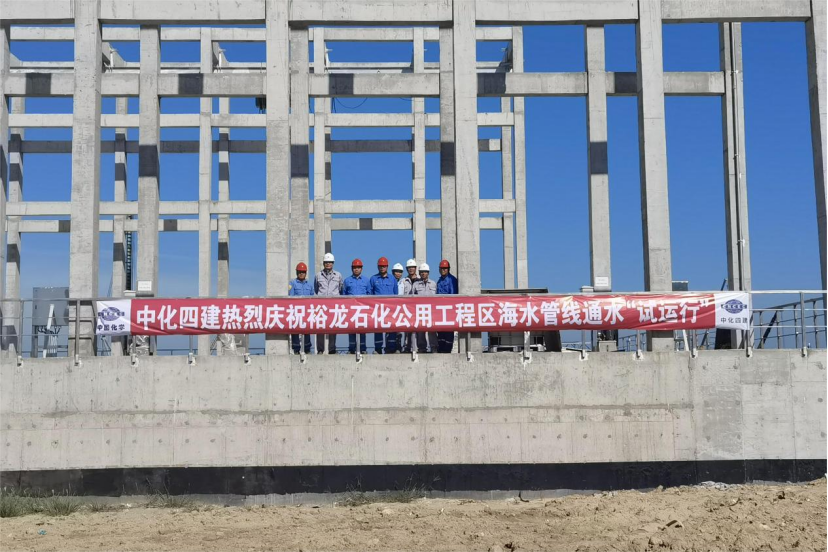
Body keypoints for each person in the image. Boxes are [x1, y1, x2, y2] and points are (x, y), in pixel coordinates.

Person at [313, 252, 343, 354]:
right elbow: (316, 289)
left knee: (333, 327)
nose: (328, 264)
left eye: (330, 262)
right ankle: (320, 349)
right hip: (321, 306)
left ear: (333, 263)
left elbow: (341, 289)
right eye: (326, 262)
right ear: (323, 263)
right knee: (320, 327)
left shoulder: (338, 275)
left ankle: (332, 349)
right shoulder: (318, 275)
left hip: (334, 306)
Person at [369, 256, 398, 353]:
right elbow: (370, 294)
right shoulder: (373, 279)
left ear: (387, 267)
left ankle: (391, 348)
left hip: (390, 309)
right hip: (377, 309)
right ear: (378, 267)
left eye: (384, 266)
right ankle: (378, 349)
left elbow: (396, 294)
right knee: (378, 329)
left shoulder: (392, 279)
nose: (382, 268)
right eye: (380, 266)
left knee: (391, 329)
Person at [343, 258, 370, 354]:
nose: (356, 269)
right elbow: (343, 295)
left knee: (362, 329)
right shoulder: (347, 281)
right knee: (351, 329)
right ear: (352, 269)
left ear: (361, 269)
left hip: (362, 310)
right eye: (354, 267)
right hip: (351, 310)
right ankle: (351, 348)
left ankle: (362, 348)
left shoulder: (366, 281)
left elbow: (369, 295)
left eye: (358, 267)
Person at [410, 263, 437, 353]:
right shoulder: (416, 285)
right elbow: (412, 297)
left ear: (428, 273)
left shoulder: (433, 284)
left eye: (425, 272)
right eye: (421, 272)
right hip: (420, 311)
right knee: (420, 330)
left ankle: (433, 347)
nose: (423, 273)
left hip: (431, 311)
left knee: (432, 330)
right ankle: (422, 348)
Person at [289, 262, 314, 354]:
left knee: (307, 329)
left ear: (306, 273)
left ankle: (307, 348)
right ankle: (296, 348)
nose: (301, 274)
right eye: (299, 272)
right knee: (295, 329)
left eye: (303, 272)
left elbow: (312, 298)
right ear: (297, 272)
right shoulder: (292, 283)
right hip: (296, 310)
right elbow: (291, 297)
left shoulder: (309, 285)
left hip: (307, 311)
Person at [436, 259, 459, 353]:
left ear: (448, 269)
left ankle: (447, 349)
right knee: (440, 332)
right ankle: (440, 348)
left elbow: (453, 296)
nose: (443, 270)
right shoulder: (439, 281)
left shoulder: (452, 280)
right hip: (440, 311)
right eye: (441, 268)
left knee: (448, 331)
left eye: (445, 268)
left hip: (449, 311)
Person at [400, 258, 419, 352]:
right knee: (407, 329)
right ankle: (407, 347)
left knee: (419, 329)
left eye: (412, 267)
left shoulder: (420, 280)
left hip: (418, 309)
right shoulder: (403, 281)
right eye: (409, 267)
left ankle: (418, 347)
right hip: (407, 309)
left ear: (415, 268)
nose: (411, 269)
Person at [392, 263, 405, 352]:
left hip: (400, 308)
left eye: (400, 272)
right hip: (391, 308)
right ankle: (390, 347)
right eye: (396, 271)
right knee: (390, 329)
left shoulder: (403, 282)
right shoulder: (390, 281)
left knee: (399, 329)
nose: (398, 273)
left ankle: (398, 347)